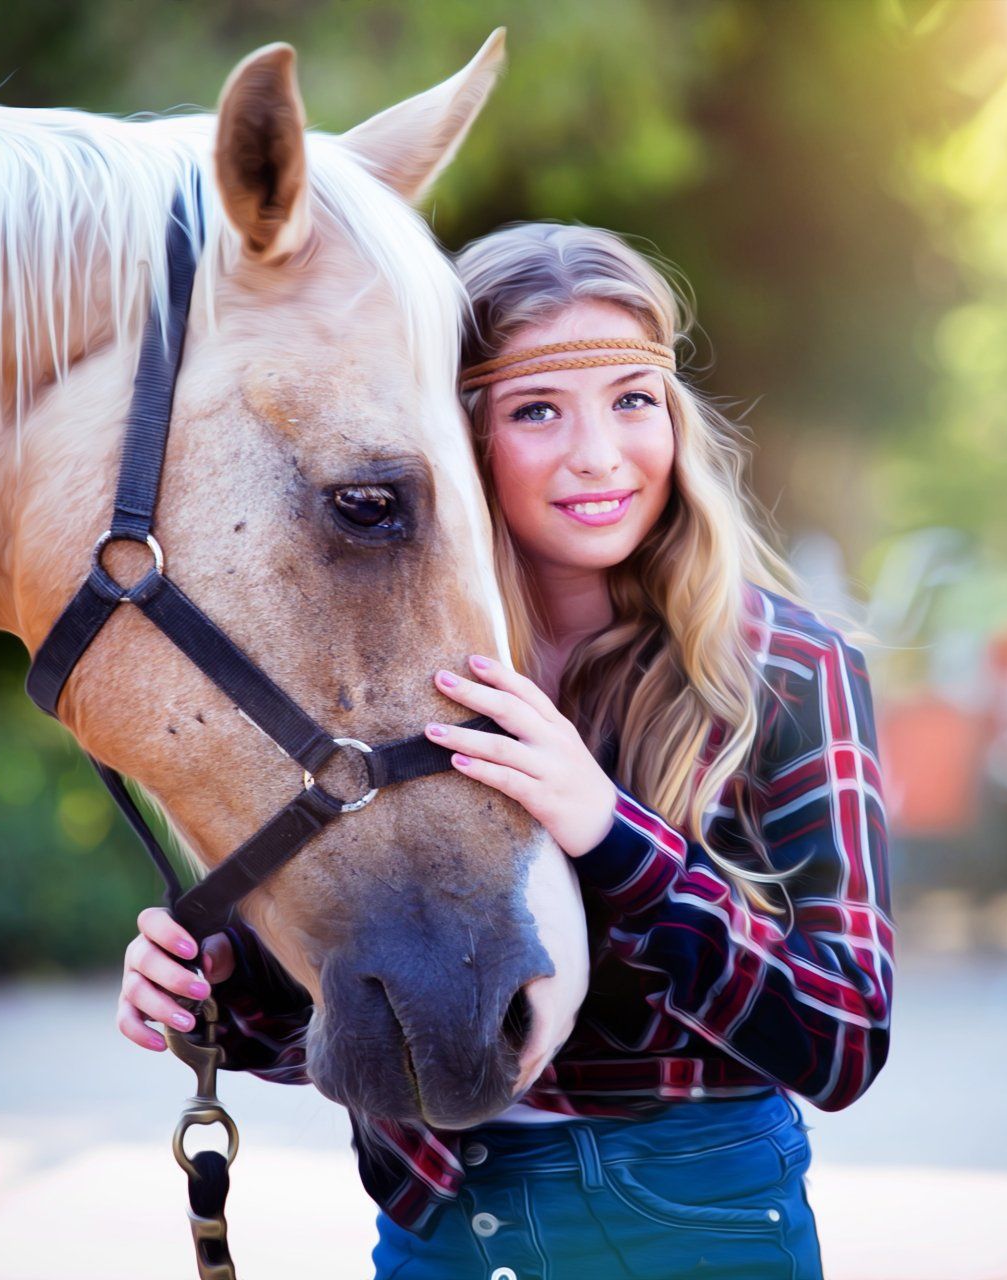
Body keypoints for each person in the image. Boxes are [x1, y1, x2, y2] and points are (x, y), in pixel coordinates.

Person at [116, 221, 895, 1278]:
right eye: (539, 410)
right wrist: (217, 988)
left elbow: (844, 1037)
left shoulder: (788, 668)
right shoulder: (384, 676)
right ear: (462, 432)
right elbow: (352, 1003)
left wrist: (613, 834)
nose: (599, 453)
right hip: (440, 1219)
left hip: (693, 1220)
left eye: (634, 399)